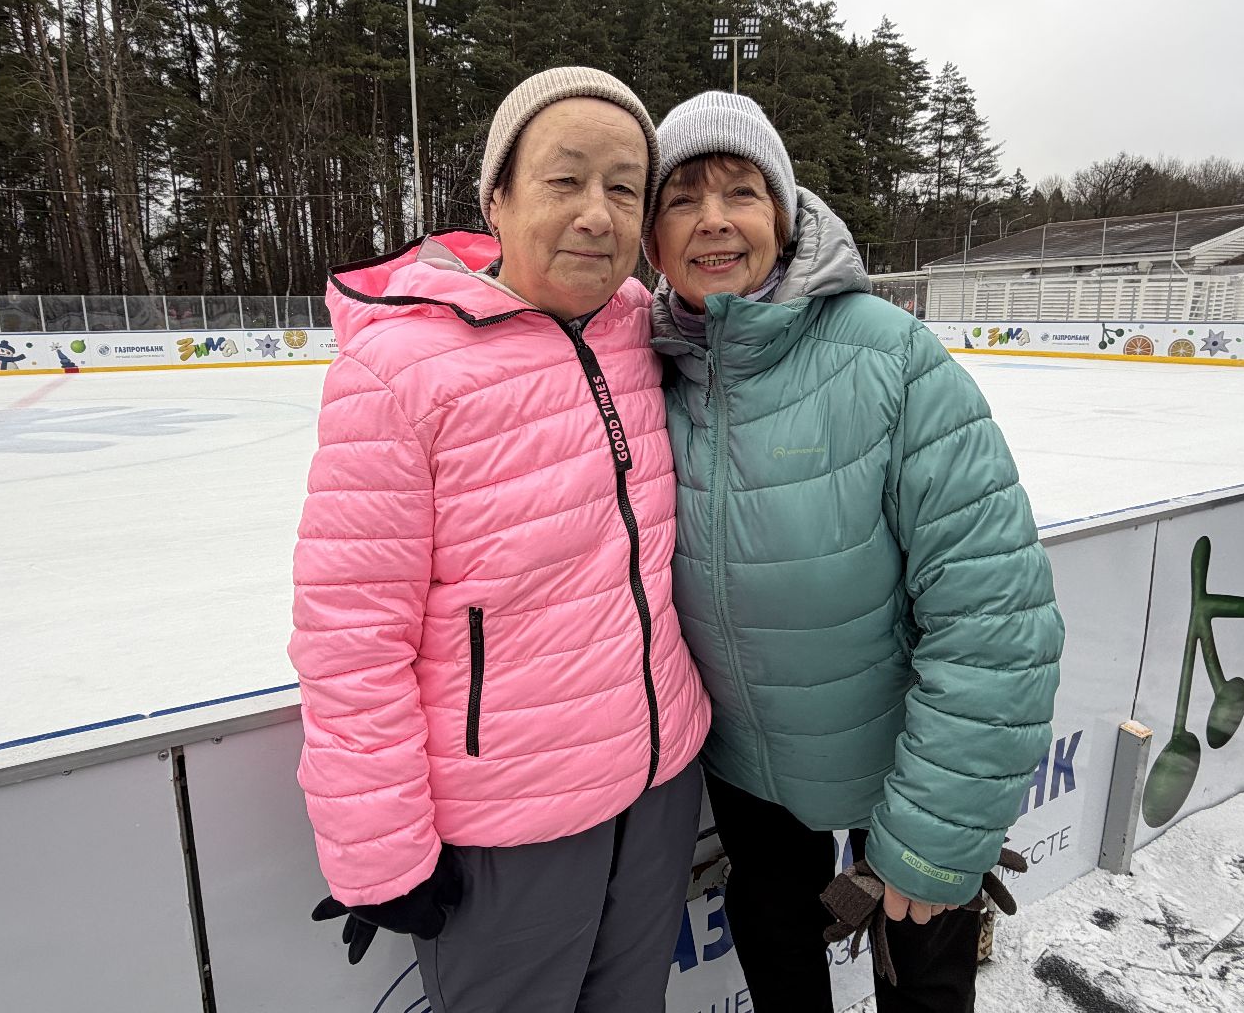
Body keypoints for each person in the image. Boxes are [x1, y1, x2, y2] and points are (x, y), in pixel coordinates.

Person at [288, 67, 711, 1013]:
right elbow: (351, 633)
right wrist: (381, 851)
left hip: (658, 786)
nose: (597, 213)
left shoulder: (642, 328)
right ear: (496, 198)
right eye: (565, 180)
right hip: (509, 825)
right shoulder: (399, 371)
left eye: (624, 188)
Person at [644, 91, 1065, 1013]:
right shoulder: (649, 371)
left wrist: (935, 829)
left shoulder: (890, 356)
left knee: (923, 980)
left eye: (741, 191)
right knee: (778, 955)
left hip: (897, 766)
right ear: (653, 238)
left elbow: (993, 614)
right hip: (747, 775)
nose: (713, 219)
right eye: (681, 198)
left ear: (784, 216)